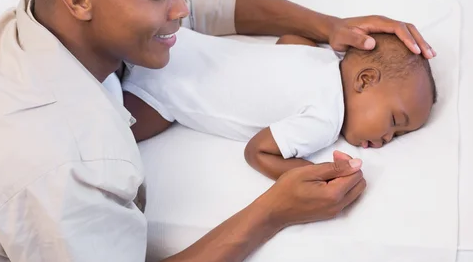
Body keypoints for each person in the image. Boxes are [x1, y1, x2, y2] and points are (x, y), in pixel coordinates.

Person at [0, 0, 435, 262]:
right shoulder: (64, 170)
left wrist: (328, 26)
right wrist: (274, 211)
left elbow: (199, 0)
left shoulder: (46, 19)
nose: (181, 9)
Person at [123, 29, 436, 180]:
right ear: (365, 80)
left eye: (397, 136)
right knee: (108, 135)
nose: (386, 140)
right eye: (394, 122)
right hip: (159, 94)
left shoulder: (322, 56)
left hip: (172, 40)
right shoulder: (324, 120)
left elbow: (288, 39)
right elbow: (257, 152)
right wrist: (320, 175)